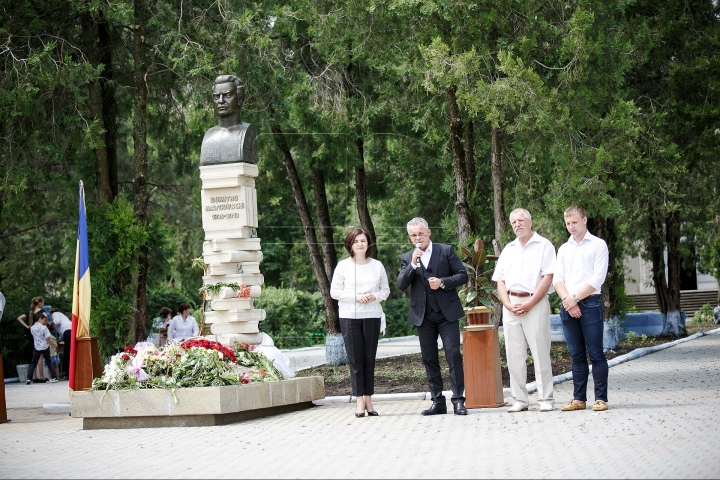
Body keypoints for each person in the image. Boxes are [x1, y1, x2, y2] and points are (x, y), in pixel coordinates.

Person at [397, 217, 469, 416]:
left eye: (420, 233)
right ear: (410, 237)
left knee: (453, 354)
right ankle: (437, 401)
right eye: (413, 235)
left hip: (447, 314)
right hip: (423, 316)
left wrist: (443, 282)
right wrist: (412, 264)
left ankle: (458, 401)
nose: (417, 238)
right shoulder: (407, 257)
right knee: (429, 359)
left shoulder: (445, 251)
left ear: (428, 232)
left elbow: (463, 275)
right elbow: (401, 284)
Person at [492, 208, 557, 413]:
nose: (517, 224)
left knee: (540, 352)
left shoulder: (544, 245)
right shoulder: (509, 249)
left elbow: (548, 277)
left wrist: (530, 303)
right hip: (511, 305)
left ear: (530, 222)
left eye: (521, 220)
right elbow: (499, 279)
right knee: (514, 355)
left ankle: (545, 399)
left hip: (534, 303)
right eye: (513, 222)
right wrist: (507, 304)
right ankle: (519, 399)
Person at [553, 205, 610, 412]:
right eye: (568, 223)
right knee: (576, 355)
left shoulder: (597, 245)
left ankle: (601, 399)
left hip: (590, 303)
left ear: (585, 220)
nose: (571, 227)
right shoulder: (564, 248)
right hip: (568, 305)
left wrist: (576, 298)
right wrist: (568, 300)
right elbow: (557, 278)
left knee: (595, 353)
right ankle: (579, 399)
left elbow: (598, 278)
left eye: (574, 222)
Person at [330, 228, 390, 418]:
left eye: (363, 240)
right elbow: (335, 292)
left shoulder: (377, 266)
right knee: (355, 361)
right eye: (355, 241)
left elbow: (386, 291)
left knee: (368, 360)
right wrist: (356, 297)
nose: (360, 244)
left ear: (368, 243)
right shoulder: (342, 266)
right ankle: (359, 402)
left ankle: (369, 401)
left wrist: (374, 296)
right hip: (349, 316)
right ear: (350, 245)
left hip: (372, 315)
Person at [200, 74, 258, 165]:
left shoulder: (248, 132)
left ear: (240, 99)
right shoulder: (209, 136)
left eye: (227, 95)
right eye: (216, 97)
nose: (221, 101)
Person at [17, 296, 45, 380]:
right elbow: (45, 322)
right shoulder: (42, 312)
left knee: (34, 356)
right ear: (39, 303)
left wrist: (27, 326)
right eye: (43, 302)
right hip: (40, 335)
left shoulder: (30, 312)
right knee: (40, 356)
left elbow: (19, 318)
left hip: (32, 334)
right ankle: (41, 376)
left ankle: (34, 376)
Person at [26, 311, 58, 384]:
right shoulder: (44, 328)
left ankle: (29, 378)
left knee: (34, 362)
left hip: (37, 347)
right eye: (44, 320)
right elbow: (47, 338)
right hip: (45, 346)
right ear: (40, 319)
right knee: (48, 362)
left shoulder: (32, 328)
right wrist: (52, 346)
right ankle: (54, 377)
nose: (45, 322)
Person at [50, 309, 72, 379]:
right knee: (67, 353)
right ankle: (68, 373)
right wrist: (59, 340)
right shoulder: (63, 318)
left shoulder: (55, 314)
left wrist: (50, 323)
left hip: (68, 332)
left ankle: (68, 374)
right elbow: (62, 333)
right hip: (69, 331)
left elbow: (57, 322)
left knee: (68, 353)